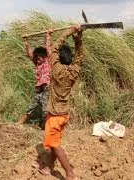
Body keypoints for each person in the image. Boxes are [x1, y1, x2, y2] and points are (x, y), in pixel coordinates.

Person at [34, 25, 83, 180]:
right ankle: (46, 167)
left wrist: (71, 31)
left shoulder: (56, 69)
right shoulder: (74, 70)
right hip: (64, 114)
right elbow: (80, 55)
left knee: (54, 145)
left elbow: (53, 48)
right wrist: (79, 37)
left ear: (59, 58)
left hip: (55, 115)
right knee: (52, 142)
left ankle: (69, 174)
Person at [18, 29, 53, 130]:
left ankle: (44, 127)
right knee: (31, 107)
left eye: (40, 56)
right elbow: (29, 54)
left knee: (45, 111)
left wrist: (47, 36)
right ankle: (20, 123)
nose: (37, 58)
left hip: (47, 90)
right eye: (36, 56)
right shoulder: (37, 64)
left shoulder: (48, 62)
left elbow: (48, 48)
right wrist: (26, 43)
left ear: (45, 57)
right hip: (39, 91)